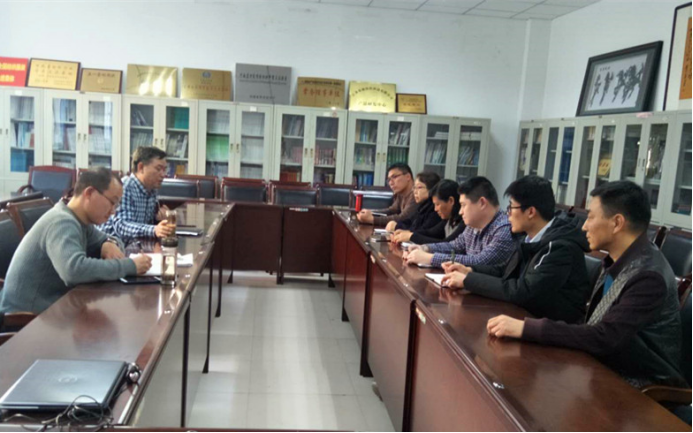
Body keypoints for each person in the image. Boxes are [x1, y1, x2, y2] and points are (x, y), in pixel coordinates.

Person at [486, 181, 686, 389]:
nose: (584, 226)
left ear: (617, 223)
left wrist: (526, 328)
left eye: (590, 217)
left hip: (641, 386)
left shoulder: (648, 277)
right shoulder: (619, 260)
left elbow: (605, 337)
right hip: (603, 366)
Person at [0, 168, 152, 315]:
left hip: (52, 308)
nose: (113, 211)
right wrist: (130, 266)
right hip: (25, 318)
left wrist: (108, 243)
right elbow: (74, 271)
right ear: (89, 193)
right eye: (112, 202)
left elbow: (108, 239)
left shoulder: (80, 221)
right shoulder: (62, 222)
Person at [442, 175, 591, 323]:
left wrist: (468, 281)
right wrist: (469, 270)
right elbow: (505, 270)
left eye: (512, 208)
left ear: (530, 212)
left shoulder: (559, 247)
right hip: (525, 318)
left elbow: (523, 291)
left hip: (550, 330)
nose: (508, 214)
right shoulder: (529, 238)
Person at [404, 176, 513, 268]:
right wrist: (425, 248)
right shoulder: (473, 226)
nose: (460, 212)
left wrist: (430, 258)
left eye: (463, 205)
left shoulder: (504, 229)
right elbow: (454, 246)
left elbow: (479, 262)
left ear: (482, 203)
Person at [99, 146, 174, 245]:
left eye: (164, 170)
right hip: (112, 245)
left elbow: (147, 223)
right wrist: (153, 230)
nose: (163, 174)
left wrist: (160, 219)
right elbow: (122, 226)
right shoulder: (125, 187)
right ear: (141, 167)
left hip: (136, 244)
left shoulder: (152, 189)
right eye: (158, 169)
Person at [392, 179, 465, 245]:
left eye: (437, 204)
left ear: (451, 201)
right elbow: (430, 232)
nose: (435, 209)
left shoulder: (464, 222)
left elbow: (447, 244)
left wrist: (411, 236)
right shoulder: (448, 219)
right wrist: (408, 233)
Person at [357, 163, 416, 227]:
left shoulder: (416, 194)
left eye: (394, 177)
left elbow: (403, 218)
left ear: (408, 177)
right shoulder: (401, 193)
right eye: (389, 179)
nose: (391, 183)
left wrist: (372, 219)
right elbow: (392, 211)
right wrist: (371, 213)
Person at [385, 171, 441, 235]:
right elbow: (410, 221)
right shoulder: (422, 206)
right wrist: (396, 224)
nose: (415, 192)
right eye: (414, 188)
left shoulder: (434, 209)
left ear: (432, 189)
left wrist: (396, 226)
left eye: (419, 187)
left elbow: (420, 231)